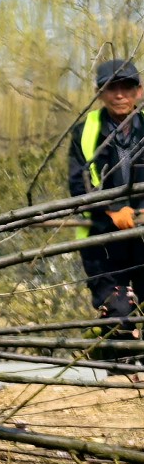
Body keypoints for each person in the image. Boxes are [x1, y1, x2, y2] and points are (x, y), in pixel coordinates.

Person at [68, 58, 144, 338]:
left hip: (143, 235)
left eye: (127, 87)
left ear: (139, 90)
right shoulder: (84, 132)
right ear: (99, 93)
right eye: (112, 88)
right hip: (102, 241)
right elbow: (78, 184)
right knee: (117, 314)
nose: (120, 94)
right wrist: (113, 210)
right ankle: (118, 363)